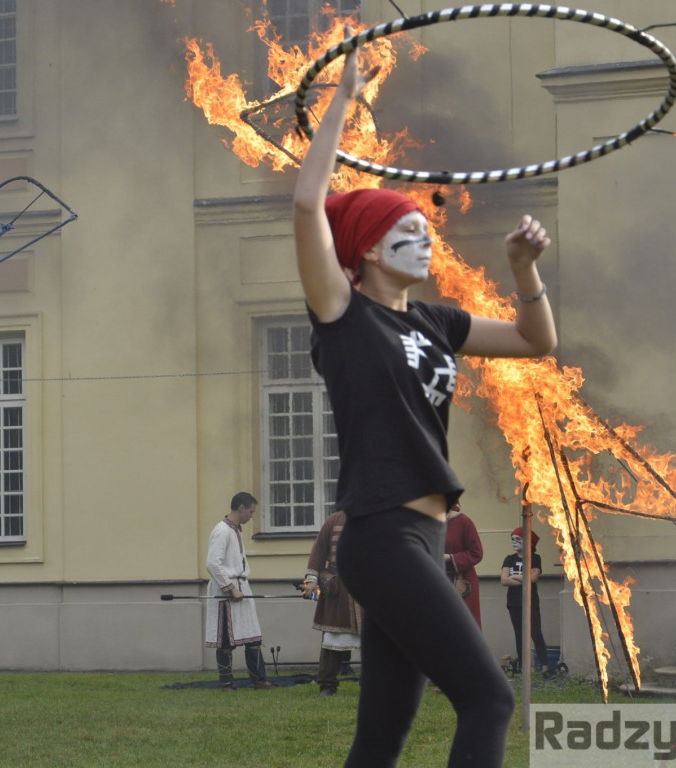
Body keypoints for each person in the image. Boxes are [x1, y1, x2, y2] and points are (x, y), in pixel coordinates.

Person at [292, 35, 558, 768]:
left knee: (382, 733)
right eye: (406, 232)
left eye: (425, 231)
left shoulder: (435, 321)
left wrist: (522, 269)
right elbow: (308, 202)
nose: (425, 241)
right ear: (369, 250)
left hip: (424, 540)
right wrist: (344, 97)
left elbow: (536, 341)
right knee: (489, 699)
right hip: (380, 535)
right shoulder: (344, 314)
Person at [204, 491, 275, 691]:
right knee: (226, 640)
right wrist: (231, 588)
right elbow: (212, 564)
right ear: (241, 508)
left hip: (242, 586)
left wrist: (239, 587)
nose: (252, 515)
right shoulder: (222, 531)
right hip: (226, 592)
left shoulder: (236, 530)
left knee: (253, 636)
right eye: (251, 511)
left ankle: (259, 680)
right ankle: (227, 683)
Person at [303, 510, 361, 697]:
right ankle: (327, 684)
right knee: (332, 640)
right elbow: (318, 551)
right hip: (339, 588)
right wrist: (311, 581)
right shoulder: (334, 520)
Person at [500, 527, 555, 678]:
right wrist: (524, 577)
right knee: (519, 635)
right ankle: (523, 668)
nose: (514, 543)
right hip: (514, 602)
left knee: (536, 633)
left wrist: (516, 576)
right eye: (512, 540)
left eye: (518, 539)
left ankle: (545, 668)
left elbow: (533, 579)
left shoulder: (535, 558)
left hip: (531, 601)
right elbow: (504, 580)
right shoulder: (509, 559)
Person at [443, 503, 484, 628]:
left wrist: (450, 558)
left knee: (464, 626)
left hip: (461, 582)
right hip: (435, 581)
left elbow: (476, 553)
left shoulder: (463, 522)